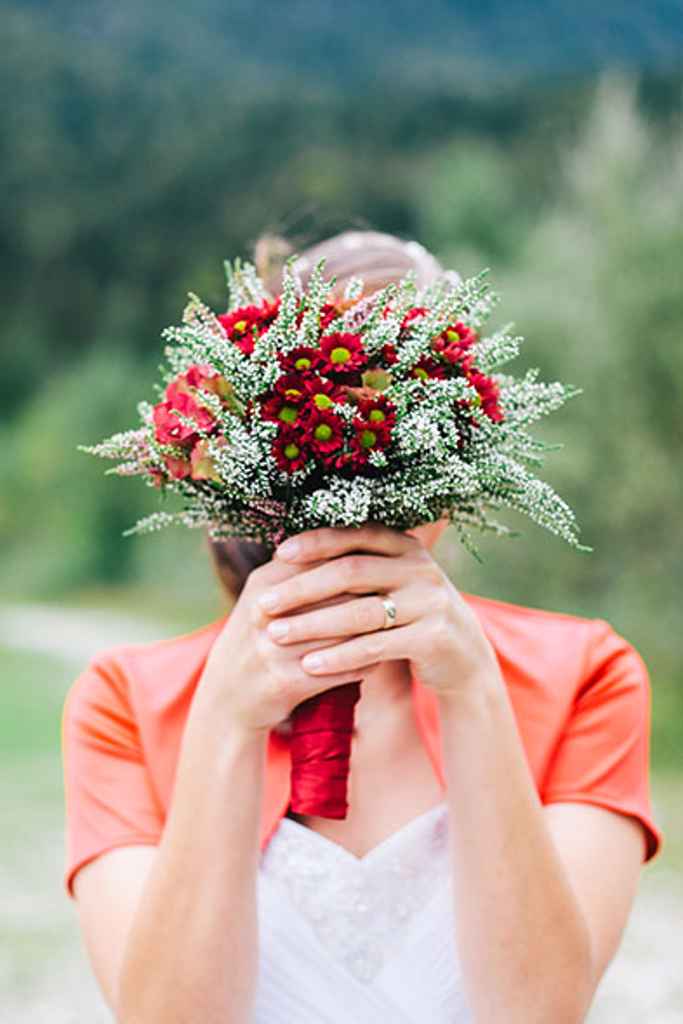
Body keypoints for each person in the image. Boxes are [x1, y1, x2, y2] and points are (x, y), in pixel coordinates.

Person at [61, 230, 663, 1024]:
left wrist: (473, 692)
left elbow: (542, 1012)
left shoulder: (586, 674)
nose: (363, 477)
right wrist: (225, 721)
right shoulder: (124, 702)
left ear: (465, 455)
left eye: (402, 429)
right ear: (249, 449)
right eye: (333, 433)